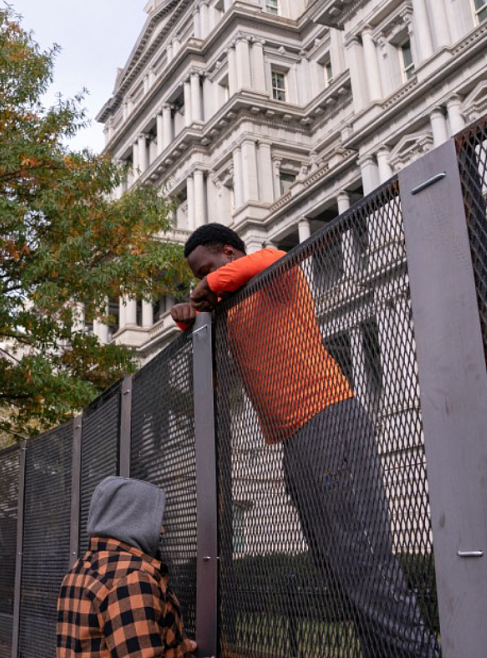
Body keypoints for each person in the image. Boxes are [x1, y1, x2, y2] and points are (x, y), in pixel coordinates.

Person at [170, 223, 440, 658]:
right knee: (334, 563)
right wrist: (187, 319)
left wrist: (210, 287)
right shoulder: (233, 307)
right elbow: (206, 335)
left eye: (208, 269)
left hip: (327, 416)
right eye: (197, 276)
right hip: (294, 441)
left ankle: (422, 653)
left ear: (229, 252)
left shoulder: (271, 278)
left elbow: (273, 256)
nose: (203, 282)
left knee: (360, 555)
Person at [57, 476, 196, 658]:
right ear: (130, 517)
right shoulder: (132, 578)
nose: (162, 530)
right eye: (154, 520)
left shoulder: (79, 569)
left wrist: (181, 648)